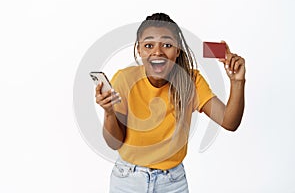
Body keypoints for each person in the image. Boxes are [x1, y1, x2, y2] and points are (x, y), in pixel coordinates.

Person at [95, 13, 245, 193]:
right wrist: (109, 112)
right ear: (139, 50)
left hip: (172, 183)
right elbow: (114, 143)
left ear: (177, 50)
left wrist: (237, 82)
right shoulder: (125, 79)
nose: (157, 52)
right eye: (149, 45)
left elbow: (230, 122)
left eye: (167, 45)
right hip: (128, 180)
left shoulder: (191, 81)